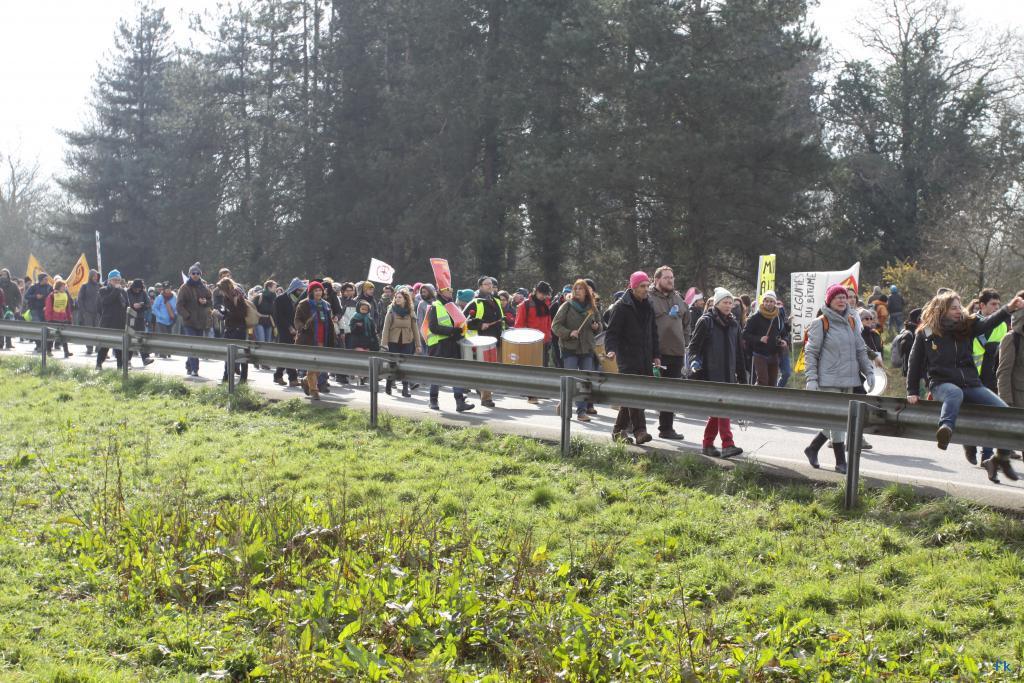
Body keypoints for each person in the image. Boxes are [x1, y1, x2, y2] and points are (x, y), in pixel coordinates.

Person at [906, 290, 1024, 483]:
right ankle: (945, 429)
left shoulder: (966, 326)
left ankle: (1000, 459)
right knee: (954, 393)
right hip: (941, 384)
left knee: (1004, 411)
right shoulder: (926, 332)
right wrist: (911, 391)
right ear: (942, 309)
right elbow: (915, 362)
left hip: (970, 383)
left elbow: (989, 322)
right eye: (953, 308)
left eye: (959, 307)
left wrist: (1008, 309)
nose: (958, 311)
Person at [802, 284, 874, 474]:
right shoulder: (821, 322)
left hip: (850, 380)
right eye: (838, 297)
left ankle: (813, 448)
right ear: (829, 301)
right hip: (829, 380)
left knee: (839, 420)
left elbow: (860, 349)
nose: (842, 300)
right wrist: (812, 379)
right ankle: (841, 462)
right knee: (838, 421)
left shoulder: (851, 321)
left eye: (844, 297)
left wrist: (869, 372)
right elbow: (811, 352)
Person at [686, 288, 746, 458]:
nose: (729, 306)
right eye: (725, 303)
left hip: (729, 376)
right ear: (717, 303)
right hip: (710, 376)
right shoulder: (705, 322)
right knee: (722, 407)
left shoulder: (734, 325)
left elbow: (739, 355)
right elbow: (693, 348)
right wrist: (694, 362)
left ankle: (707, 444)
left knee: (717, 411)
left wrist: (742, 378)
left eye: (730, 303)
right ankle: (728, 444)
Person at [604, 271, 659, 445]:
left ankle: (618, 431)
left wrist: (656, 355)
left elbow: (654, 333)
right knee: (634, 393)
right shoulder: (621, 306)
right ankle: (640, 430)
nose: (646, 289)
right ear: (633, 287)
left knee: (633, 395)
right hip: (627, 358)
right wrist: (611, 350)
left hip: (644, 357)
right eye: (642, 286)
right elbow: (611, 333)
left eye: (647, 286)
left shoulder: (648, 305)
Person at [962, 289, 1009, 467]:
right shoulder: (969, 323)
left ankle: (987, 455)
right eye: (993, 304)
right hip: (967, 377)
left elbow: (993, 354)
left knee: (988, 418)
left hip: (988, 379)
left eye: (998, 304)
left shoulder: (1001, 326)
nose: (996, 307)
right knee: (971, 416)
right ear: (981, 305)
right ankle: (970, 444)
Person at [551, 279, 602, 422]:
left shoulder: (592, 308)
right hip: (569, 348)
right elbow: (555, 326)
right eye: (575, 288)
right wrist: (568, 333)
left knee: (584, 381)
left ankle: (581, 412)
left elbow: (600, 328)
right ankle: (565, 405)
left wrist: (596, 327)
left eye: (580, 288)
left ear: (586, 292)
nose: (577, 291)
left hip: (587, 348)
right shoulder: (567, 306)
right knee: (570, 379)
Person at [649, 266, 689, 439]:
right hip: (656, 353)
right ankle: (630, 425)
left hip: (676, 352)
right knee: (646, 391)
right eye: (666, 278)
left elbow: (687, 322)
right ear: (656, 280)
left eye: (672, 278)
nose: (670, 280)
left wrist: (685, 341)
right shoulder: (648, 298)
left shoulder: (678, 298)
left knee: (670, 393)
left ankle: (666, 429)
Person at [426, 286, 474, 412]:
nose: (451, 292)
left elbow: (459, 324)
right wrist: (452, 331)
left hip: (453, 344)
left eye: (451, 290)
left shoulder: (454, 306)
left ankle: (460, 402)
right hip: (439, 345)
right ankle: (433, 400)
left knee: (455, 373)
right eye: (448, 290)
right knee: (437, 373)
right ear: (440, 292)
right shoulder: (435, 306)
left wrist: (460, 331)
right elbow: (433, 327)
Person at [464, 276, 506, 408]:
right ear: (480, 286)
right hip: (481, 342)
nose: (490, 286)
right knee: (487, 370)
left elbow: (500, 320)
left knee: (493, 371)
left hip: (497, 341)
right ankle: (486, 398)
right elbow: (463, 321)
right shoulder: (474, 303)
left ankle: (481, 389)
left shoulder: (496, 301)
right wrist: (480, 325)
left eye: (491, 284)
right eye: (486, 284)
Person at [294, 281, 336, 400]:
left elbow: (330, 321)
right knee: (313, 364)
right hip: (309, 339)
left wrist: (333, 336)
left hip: (324, 337)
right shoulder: (304, 304)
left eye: (320, 290)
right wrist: (303, 327)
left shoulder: (326, 304)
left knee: (321, 365)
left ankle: (306, 381)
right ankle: (314, 390)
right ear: (311, 292)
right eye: (316, 290)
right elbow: (297, 320)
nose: (318, 292)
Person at [515, 281, 554, 403]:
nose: (543, 296)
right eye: (541, 293)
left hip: (544, 341)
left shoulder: (546, 304)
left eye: (545, 294)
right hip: (530, 341)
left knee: (543, 367)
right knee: (531, 369)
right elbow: (519, 325)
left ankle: (540, 391)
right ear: (535, 291)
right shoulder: (524, 305)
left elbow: (548, 322)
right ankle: (531, 395)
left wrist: (549, 336)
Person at [996, 291, 1024, 461]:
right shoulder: (1011, 339)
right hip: (1018, 399)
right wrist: (1006, 401)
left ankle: (995, 461)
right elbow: (1003, 372)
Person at [742, 290, 787, 388]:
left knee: (772, 383)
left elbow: (784, 333)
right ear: (763, 302)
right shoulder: (755, 317)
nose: (768, 303)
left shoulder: (778, 317)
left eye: (771, 301)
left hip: (774, 354)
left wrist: (784, 341)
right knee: (763, 381)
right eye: (766, 301)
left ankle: (770, 403)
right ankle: (757, 402)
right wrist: (759, 339)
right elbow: (744, 334)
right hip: (759, 354)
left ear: (775, 303)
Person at [381, 288, 421, 397]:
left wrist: (418, 345)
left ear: (405, 299)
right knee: (393, 364)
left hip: (408, 342)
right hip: (393, 341)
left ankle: (405, 389)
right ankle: (389, 384)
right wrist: (384, 343)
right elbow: (386, 327)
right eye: (396, 297)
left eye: (400, 297)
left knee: (405, 366)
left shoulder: (410, 311)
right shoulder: (391, 310)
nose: (397, 299)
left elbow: (415, 329)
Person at [177, 263, 215, 377]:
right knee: (193, 344)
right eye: (193, 273)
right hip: (189, 322)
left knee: (195, 346)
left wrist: (205, 302)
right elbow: (179, 305)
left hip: (201, 321)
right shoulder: (184, 288)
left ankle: (189, 365)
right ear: (189, 274)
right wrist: (187, 315)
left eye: (198, 273)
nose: (195, 275)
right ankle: (195, 369)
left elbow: (210, 301)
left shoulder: (203, 287)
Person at [216, 278, 249, 384]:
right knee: (229, 354)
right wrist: (223, 313)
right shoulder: (227, 297)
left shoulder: (237, 296)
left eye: (221, 289)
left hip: (238, 328)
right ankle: (226, 377)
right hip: (230, 328)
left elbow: (242, 314)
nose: (220, 292)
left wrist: (228, 311)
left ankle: (242, 378)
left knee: (240, 354)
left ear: (225, 288)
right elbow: (230, 313)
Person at [272, 278, 303, 387]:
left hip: (295, 329)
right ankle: (293, 378)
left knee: (287, 353)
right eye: (298, 290)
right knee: (289, 352)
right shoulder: (280, 299)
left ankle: (278, 375)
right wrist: (289, 327)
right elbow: (278, 316)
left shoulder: (297, 300)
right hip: (284, 329)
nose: (300, 292)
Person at [96, 270, 130, 370]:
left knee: (120, 347)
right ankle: (99, 364)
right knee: (104, 346)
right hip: (107, 323)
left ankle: (120, 367)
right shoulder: (103, 290)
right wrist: (116, 290)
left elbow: (127, 305)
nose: (117, 282)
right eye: (115, 280)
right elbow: (105, 302)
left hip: (120, 322)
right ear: (110, 280)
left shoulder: (123, 291)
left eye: (119, 280)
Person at [43, 277, 74, 357]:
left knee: (64, 336)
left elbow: (67, 308)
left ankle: (66, 352)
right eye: (63, 286)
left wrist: (69, 318)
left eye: (65, 286)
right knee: (52, 336)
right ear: (58, 287)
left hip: (63, 318)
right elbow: (48, 308)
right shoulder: (52, 296)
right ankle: (49, 351)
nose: (64, 288)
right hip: (53, 319)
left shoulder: (65, 295)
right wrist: (49, 319)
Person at [126, 278, 154, 366]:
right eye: (136, 288)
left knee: (141, 338)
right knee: (130, 338)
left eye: (139, 288)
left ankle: (145, 358)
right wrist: (133, 306)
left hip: (140, 318)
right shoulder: (127, 292)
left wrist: (141, 306)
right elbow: (124, 304)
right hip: (130, 318)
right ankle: (127, 359)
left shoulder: (143, 293)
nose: (138, 290)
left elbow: (148, 305)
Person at [75, 269, 101, 353]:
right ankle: (89, 348)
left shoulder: (99, 286)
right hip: (88, 312)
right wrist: (84, 311)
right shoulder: (85, 286)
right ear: (90, 276)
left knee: (98, 330)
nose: (95, 278)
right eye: (94, 276)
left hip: (97, 312)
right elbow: (80, 299)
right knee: (89, 331)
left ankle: (98, 348)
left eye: (96, 276)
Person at [0, 269, 22, 349]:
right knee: (1, 326)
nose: (3, 276)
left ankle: (8, 343)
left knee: (9, 326)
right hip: (1, 308)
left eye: (5, 274)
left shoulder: (13, 285)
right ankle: (0, 343)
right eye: (2, 275)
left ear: (8, 275)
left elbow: (19, 296)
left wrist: (17, 306)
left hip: (11, 308)